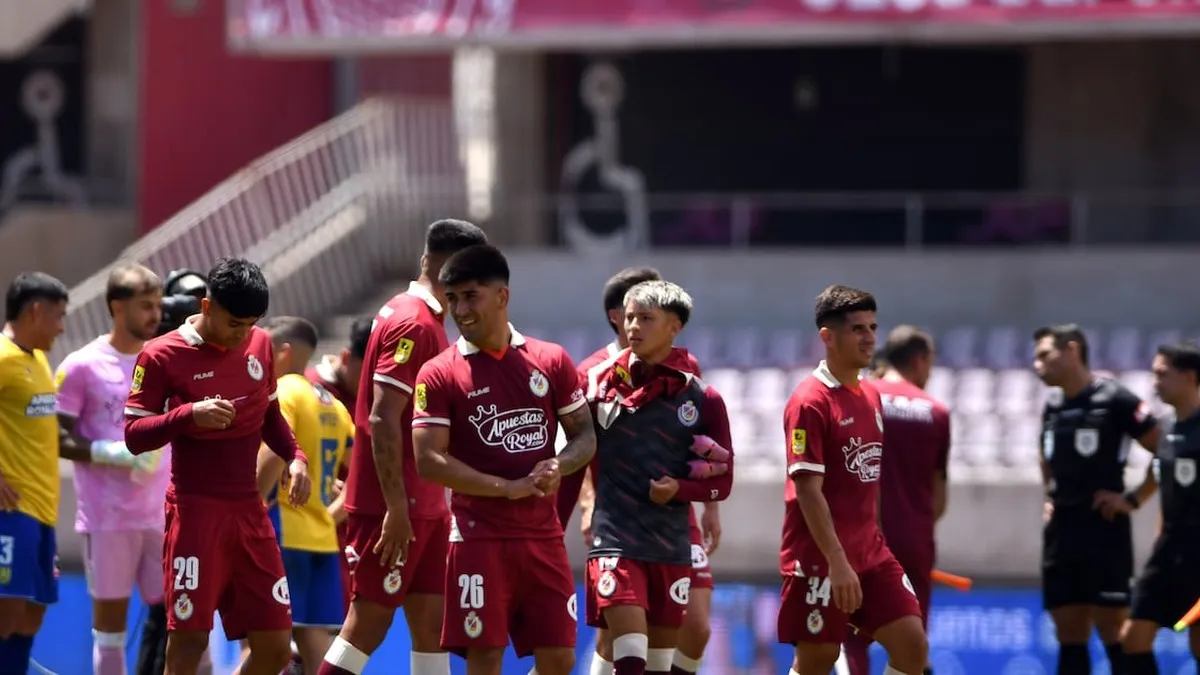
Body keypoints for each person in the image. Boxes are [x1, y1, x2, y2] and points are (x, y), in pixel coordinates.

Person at [411, 244, 597, 675]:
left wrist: (560, 465)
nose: (460, 309)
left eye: (470, 296)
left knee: (559, 659)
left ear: (502, 296)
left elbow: (584, 436)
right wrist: (506, 488)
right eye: (452, 298)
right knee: (485, 659)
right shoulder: (439, 372)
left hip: (542, 536)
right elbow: (428, 461)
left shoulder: (550, 360)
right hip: (478, 538)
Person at [124, 257, 312, 675]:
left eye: (250, 324)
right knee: (188, 641)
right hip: (195, 513)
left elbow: (270, 414)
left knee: (276, 648)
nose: (242, 335)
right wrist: (187, 415)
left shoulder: (260, 344)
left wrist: (295, 457)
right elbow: (134, 435)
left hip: (249, 512)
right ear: (206, 306)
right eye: (233, 324)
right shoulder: (161, 355)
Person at [318, 220, 488, 675]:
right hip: (396, 508)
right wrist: (396, 506)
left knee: (432, 626)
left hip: (425, 505)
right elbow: (381, 417)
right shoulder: (413, 322)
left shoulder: (420, 316)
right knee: (367, 623)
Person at [566, 267, 721, 675]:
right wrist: (587, 502)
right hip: (618, 518)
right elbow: (579, 445)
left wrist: (710, 507)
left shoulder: (688, 374)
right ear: (619, 315)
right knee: (621, 635)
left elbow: (702, 445)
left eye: (649, 312)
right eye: (635, 312)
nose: (638, 321)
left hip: (674, 518)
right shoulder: (593, 373)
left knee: (697, 628)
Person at [778, 284, 927, 675]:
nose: (870, 338)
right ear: (828, 337)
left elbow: (868, 481)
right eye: (858, 328)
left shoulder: (871, 395)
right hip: (820, 559)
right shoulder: (809, 401)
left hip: (871, 555)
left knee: (912, 645)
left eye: (873, 327)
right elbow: (808, 490)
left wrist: (874, 540)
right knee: (817, 660)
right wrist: (837, 562)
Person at [54, 264, 174, 675]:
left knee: (181, 622)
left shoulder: (164, 361)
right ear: (116, 307)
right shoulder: (82, 365)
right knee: (110, 634)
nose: (155, 314)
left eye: (158, 305)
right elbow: (57, 437)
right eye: (145, 306)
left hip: (163, 516)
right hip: (108, 519)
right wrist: (113, 452)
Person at [1033, 324, 1160, 675]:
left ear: (1071, 350)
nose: (1036, 364)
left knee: (1114, 630)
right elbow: (1044, 456)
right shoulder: (1053, 405)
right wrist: (1050, 495)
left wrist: (1133, 500)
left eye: (1044, 354)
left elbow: (1166, 450)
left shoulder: (1116, 399)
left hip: (1103, 531)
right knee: (1069, 634)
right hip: (1062, 532)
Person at [843, 326, 950, 675]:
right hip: (914, 540)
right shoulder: (936, 410)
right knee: (911, 643)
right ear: (920, 360)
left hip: (862, 538)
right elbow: (939, 497)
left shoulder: (860, 394)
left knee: (853, 638)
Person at [257, 317, 355, 675]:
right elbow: (362, 472)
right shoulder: (332, 403)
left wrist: (252, 504)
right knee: (316, 642)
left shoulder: (284, 392)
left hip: (282, 531)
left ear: (282, 352)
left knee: (264, 641)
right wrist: (334, 513)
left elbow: (271, 452)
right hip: (322, 539)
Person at [0, 271, 69, 673]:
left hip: (43, 512)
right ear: (36, 312)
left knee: (32, 616)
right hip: (12, 512)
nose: (62, 327)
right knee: (6, 616)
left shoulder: (39, 359)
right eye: (58, 317)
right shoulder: (4, 358)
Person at [1120, 341, 1200, 675]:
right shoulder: (1165, 428)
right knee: (1133, 638)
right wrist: (1131, 501)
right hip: (1167, 550)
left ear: (1190, 377)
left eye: (1162, 374)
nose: (1155, 383)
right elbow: (1160, 477)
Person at [305, 315, 372, 619]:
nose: (372, 385)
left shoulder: (383, 397)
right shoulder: (307, 390)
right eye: (367, 374)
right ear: (346, 358)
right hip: (309, 529)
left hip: (353, 533)